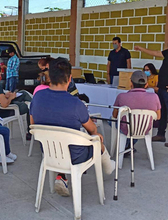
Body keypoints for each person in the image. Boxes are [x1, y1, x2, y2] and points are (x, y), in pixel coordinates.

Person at [30, 58, 115, 197]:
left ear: (50, 77)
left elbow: (32, 124)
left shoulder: (37, 97)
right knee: (96, 138)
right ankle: (108, 165)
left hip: (48, 151)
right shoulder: (76, 103)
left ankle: (62, 177)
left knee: (63, 140)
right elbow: (92, 129)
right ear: (70, 79)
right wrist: (94, 136)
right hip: (75, 156)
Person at [112, 71, 161, 156]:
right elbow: (158, 117)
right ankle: (129, 146)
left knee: (113, 121)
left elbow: (115, 115)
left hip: (126, 129)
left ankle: (126, 146)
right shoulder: (154, 97)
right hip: (144, 129)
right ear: (146, 85)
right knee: (137, 123)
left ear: (131, 83)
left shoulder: (121, 96)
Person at [0, 64, 32, 138]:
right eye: (0, 74)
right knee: (29, 106)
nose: (1, 76)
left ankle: (35, 104)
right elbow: (4, 104)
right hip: (2, 111)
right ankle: (30, 131)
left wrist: (5, 95)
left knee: (23, 93)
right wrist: (11, 97)